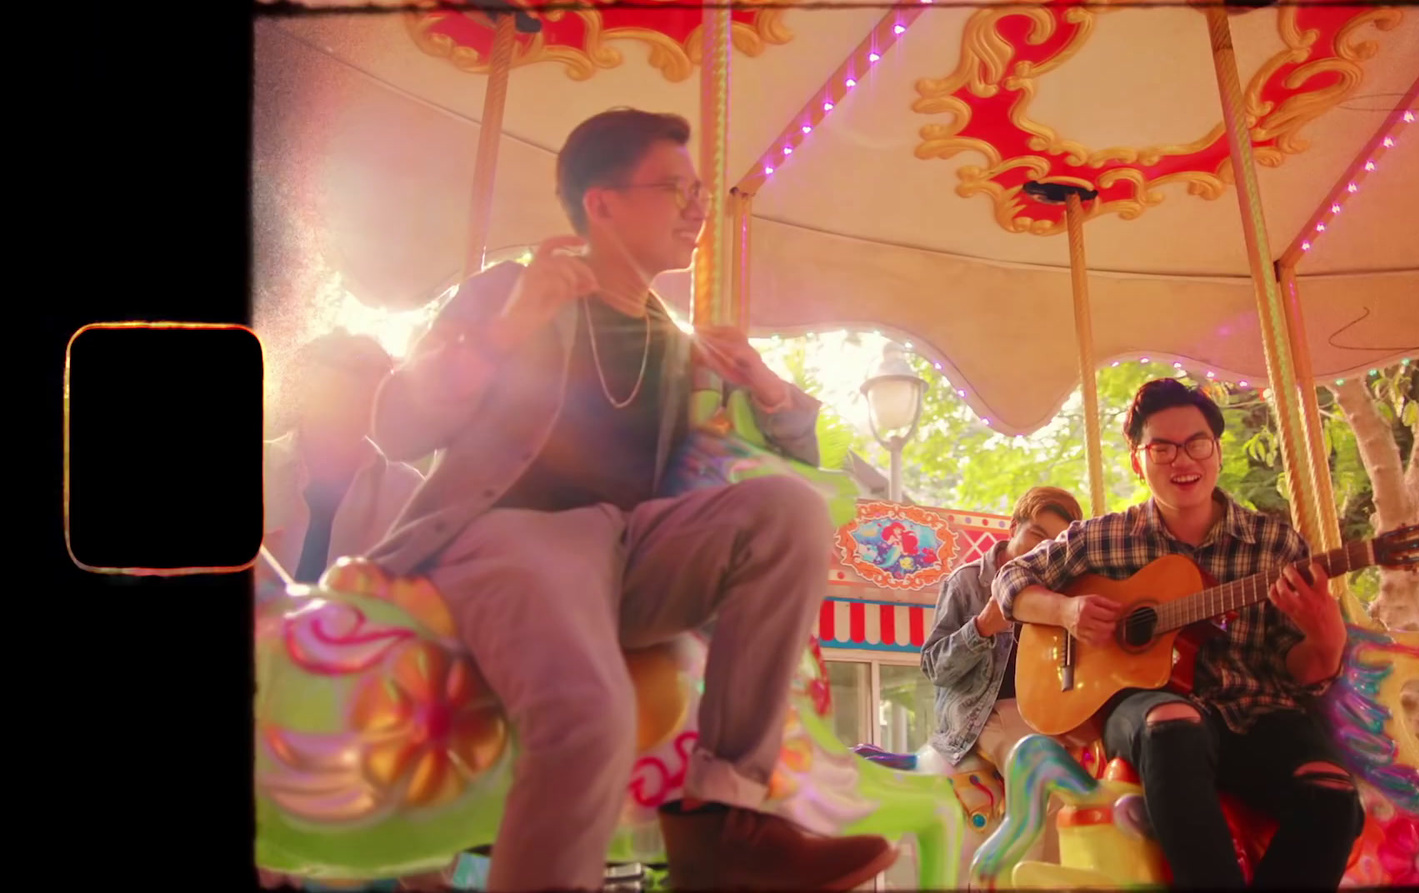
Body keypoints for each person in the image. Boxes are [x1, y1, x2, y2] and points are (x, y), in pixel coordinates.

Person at [364, 108, 895, 892]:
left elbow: (784, 465)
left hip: (631, 551)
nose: (695, 209)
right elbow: (397, 426)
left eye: (700, 191)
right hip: (512, 534)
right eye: (673, 188)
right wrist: (509, 330)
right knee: (589, 716)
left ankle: (723, 824)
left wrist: (770, 388)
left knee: (788, 512)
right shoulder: (516, 288)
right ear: (601, 203)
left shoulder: (674, 341)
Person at [990, 378, 1363, 888]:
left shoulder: (1273, 544)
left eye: (1196, 443)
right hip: (1147, 714)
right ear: (1137, 461)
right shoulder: (1105, 536)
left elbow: (1303, 672)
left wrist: (1326, 637)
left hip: (1256, 714)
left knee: (1333, 793)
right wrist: (1067, 610)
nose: (1181, 459)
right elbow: (1011, 579)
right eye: (1161, 447)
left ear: (1217, 451)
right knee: (1174, 718)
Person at [921, 485, 1085, 864]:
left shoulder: (1060, 592)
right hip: (986, 711)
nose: (1044, 548)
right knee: (1044, 776)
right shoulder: (967, 582)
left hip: (1047, 711)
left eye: (1057, 542)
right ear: (1013, 528)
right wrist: (981, 627)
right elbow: (934, 666)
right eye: (1037, 535)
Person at [260, 330, 423, 588]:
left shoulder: (406, 492)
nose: (375, 384)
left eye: (384, 374)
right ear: (308, 379)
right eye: (358, 368)